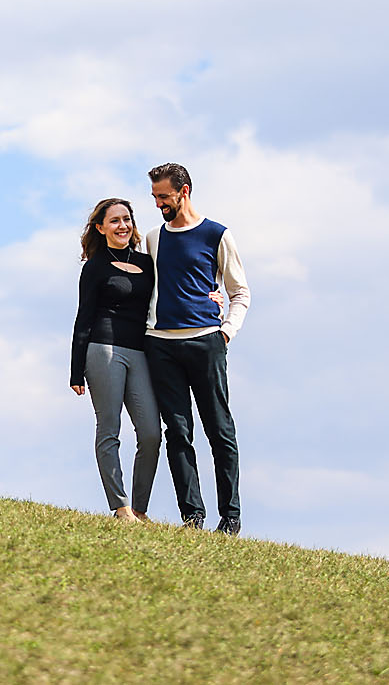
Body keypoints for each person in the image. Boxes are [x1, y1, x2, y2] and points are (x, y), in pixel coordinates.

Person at [144, 162, 250, 535]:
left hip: (206, 342)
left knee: (219, 429)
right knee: (177, 431)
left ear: (183, 191)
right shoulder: (154, 238)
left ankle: (231, 516)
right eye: (155, 197)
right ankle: (192, 515)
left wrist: (226, 332)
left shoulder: (217, 235)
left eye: (164, 196)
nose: (159, 204)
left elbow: (240, 292)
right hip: (160, 345)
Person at [70, 197, 161, 522]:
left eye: (127, 219)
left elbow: (171, 293)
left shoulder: (147, 263)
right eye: (114, 221)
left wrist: (211, 295)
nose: (122, 225)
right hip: (102, 348)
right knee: (109, 428)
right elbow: (84, 318)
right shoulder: (95, 267)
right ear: (100, 228)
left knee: (151, 432)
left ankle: (140, 508)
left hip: (140, 352)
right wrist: (76, 371)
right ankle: (121, 507)